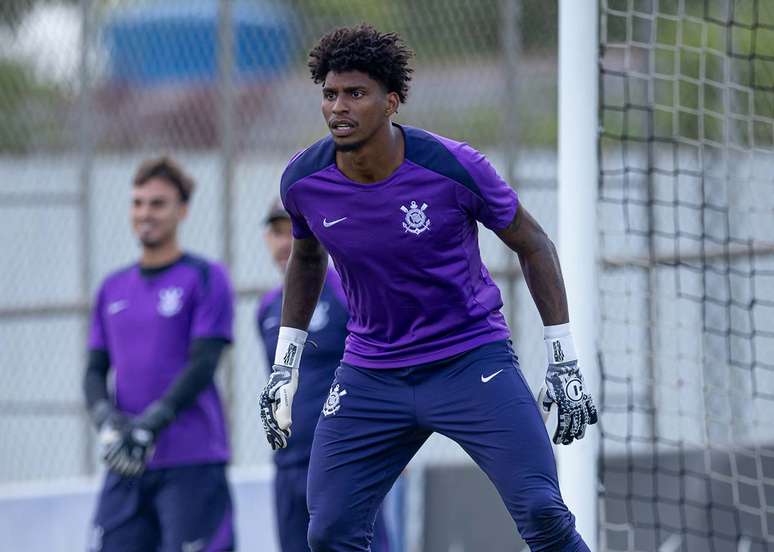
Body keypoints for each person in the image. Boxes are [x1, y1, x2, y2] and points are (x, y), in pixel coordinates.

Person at [259, 24, 597, 552]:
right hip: (371, 375)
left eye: (356, 93)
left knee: (542, 511)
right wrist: (286, 366)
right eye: (329, 94)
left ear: (391, 101)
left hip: (470, 361)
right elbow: (306, 259)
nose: (339, 107)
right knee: (328, 532)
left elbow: (534, 243)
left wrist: (564, 360)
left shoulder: (454, 166)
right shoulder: (303, 181)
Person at [83, 157, 235, 552]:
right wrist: (106, 419)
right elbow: (95, 369)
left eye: (157, 203)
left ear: (182, 210)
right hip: (127, 462)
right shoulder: (111, 288)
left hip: (192, 461)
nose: (145, 213)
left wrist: (153, 421)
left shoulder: (205, 276)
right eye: (138, 203)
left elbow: (204, 362)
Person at [257, 200, 391, 552]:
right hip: (290, 465)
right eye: (275, 231)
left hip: (348, 460)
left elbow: (384, 364)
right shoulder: (267, 309)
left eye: (291, 229)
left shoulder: (348, 291)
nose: (285, 241)